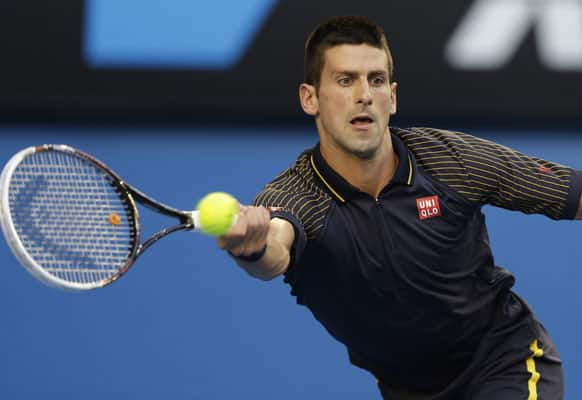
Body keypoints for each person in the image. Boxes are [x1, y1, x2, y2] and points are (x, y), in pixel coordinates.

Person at [217, 15, 580, 399]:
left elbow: (565, 190)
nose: (364, 95)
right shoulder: (296, 196)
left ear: (392, 96)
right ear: (310, 98)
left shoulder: (452, 162)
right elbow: (274, 249)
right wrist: (253, 244)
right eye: (345, 80)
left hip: (503, 361)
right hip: (407, 389)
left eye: (376, 80)